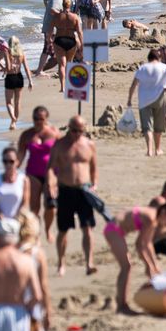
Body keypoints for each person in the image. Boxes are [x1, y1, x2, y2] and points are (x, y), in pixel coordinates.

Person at [102, 203, 166, 314]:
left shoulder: (154, 218)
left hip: (117, 231)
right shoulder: (151, 218)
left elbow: (148, 243)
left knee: (128, 267)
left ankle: (121, 303)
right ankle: (122, 306)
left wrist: (154, 264)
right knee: (126, 267)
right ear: (164, 213)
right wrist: (148, 265)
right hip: (113, 230)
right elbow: (139, 244)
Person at [50, 116, 98, 276]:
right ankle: (61, 263)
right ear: (68, 127)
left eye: (80, 131)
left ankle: (89, 262)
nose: (76, 134)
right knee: (63, 230)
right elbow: (50, 168)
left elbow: (93, 168)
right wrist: (51, 185)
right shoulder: (60, 145)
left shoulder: (89, 145)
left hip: (84, 190)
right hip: (65, 190)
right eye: (73, 130)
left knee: (87, 228)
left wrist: (94, 184)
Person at [17, 107, 60, 239]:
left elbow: (61, 154)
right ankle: (35, 232)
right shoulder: (27, 135)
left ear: (46, 119)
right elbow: (20, 156)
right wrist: (13, 171)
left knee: (51, 206)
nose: (37, 122)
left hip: (51, 174)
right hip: (32, 174)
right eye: (35, 119)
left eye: (40, 119)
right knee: (34, 208)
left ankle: (47, 229)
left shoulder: (54, 133)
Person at [126, 49, 166, 157]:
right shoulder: (163, 67)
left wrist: (130, 99)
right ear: (158, 58)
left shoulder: (143, 68)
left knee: (147, 127)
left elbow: (133, 85)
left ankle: (149, 150)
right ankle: (158, 149)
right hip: (159, 98)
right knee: (158, 126)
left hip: (144, 100)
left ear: (148, 58)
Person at [3, 38, 34, 130]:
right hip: (19, 77)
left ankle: (13, 118)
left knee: (9, 102)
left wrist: (0, 69)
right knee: (17, 101)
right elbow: (26, 68)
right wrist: (30, 81)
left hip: (10, 78)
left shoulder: (7, 52)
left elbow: (8, 68)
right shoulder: (21, 53)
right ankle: (14, 123)